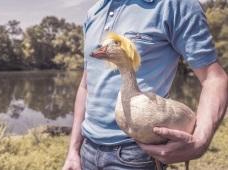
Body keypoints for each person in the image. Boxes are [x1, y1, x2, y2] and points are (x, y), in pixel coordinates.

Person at [63, 0, 228, 169]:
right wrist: (73, 150)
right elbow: (86, 85)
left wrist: (200, 140)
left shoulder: (175, 5)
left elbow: (213, 78)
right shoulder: (94, 12)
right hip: (87, 149)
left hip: (138, 154)